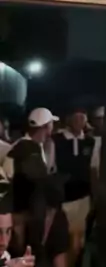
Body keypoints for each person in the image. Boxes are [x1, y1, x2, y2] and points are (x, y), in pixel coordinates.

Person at [4, 107, 59, 252]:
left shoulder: (34, 146)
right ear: (46, 126)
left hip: (28, 211)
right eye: (51, 123)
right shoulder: (24, 149)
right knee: (22, 250)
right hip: (23, 212)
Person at [53, 108, 95, 267]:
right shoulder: (56, 141)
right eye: (76, 116)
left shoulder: (90, 142)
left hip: (83, 199)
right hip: (64, 200)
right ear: (68, 118)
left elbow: (93, 170)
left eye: (82, 116)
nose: (79, 120)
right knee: (64, 243)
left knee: (79, 244)